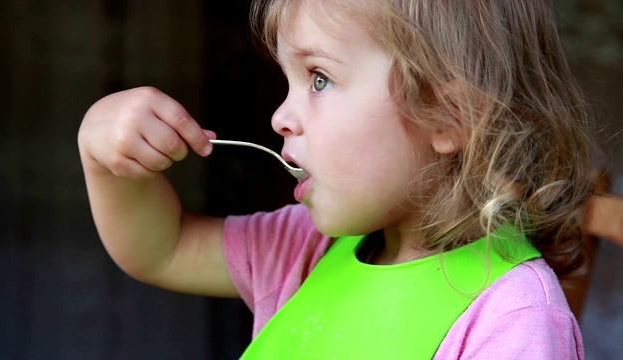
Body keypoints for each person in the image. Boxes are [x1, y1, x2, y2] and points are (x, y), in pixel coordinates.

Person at [78, 0, 595, 358]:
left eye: (318, 79)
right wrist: (102, 154)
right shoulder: (307, 248)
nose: (281, 115)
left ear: (446, 114)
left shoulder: (513, 315)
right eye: (289, 80)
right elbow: (162, 248)